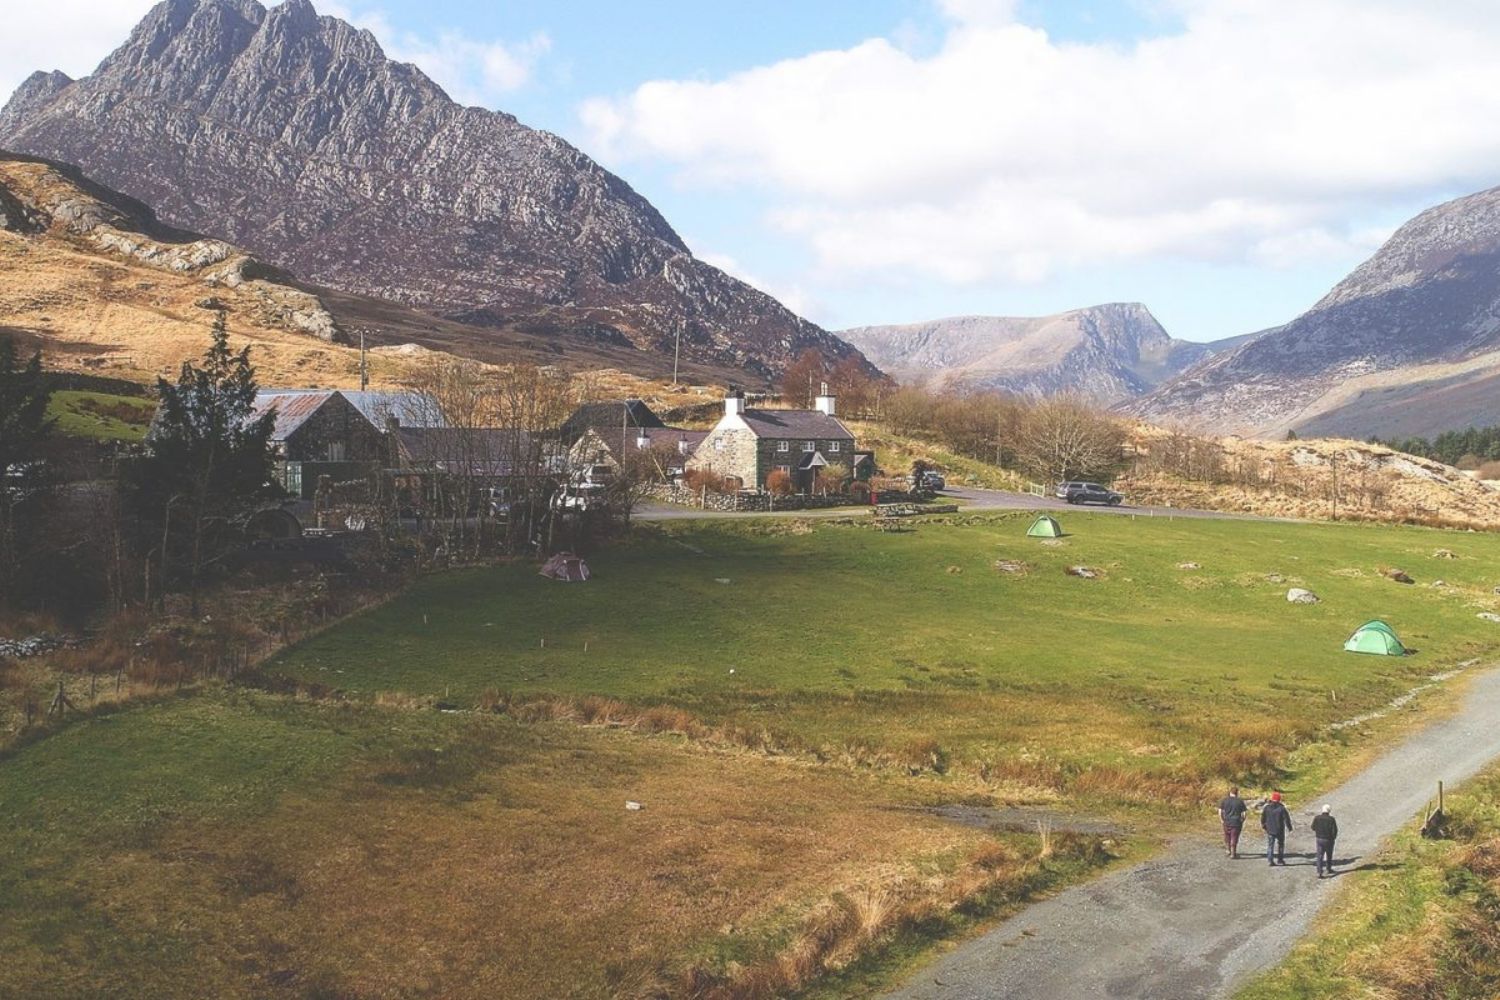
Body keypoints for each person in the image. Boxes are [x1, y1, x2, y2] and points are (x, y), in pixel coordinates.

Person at [1262, 791, 1293, 866]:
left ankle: (1270, 860)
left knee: (1270, 845)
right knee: (1281, 844)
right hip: (1279, 830)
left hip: (1270, 829)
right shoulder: (1282, 808)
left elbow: (1263, 818)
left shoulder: (1267, 808)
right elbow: (1286, 819)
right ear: (1279, 799)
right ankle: (1280, 859)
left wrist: (1264, 825)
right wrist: (1289, 827)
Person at [1218, 786, 1248, 858]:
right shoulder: (1240, 801)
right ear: (1237, 792)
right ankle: (1233, 853)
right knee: (1234, 837)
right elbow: (1244, 813)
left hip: (1227, 821)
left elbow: (1220, 811)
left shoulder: (1224, 800)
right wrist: (1242, 820)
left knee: (1227, 836)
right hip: (1236, 822)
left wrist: (1221, 819)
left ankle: (1228, 850)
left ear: (1230, 792)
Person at [1312, 804, 1339, 878]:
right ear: (1329, 811)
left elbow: (1313, 827)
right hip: (1329, 839)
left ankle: (1319, 872)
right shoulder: (1331, 819)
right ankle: (1328, 868)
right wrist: (1333, 838)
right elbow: (1335, 830)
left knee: (1319, 855)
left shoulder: (1317, 818)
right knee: (1329, 854)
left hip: (1319, 839)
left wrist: (1318, 832)